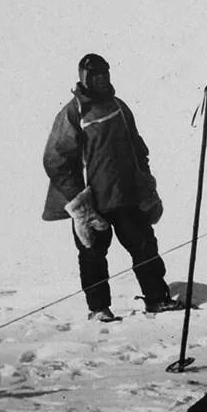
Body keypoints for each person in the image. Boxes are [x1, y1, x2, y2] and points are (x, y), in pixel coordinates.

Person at [42, 53, 185, 322]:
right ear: (85, 78)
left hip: (126, 197)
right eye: (95, 75)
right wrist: (78, 201)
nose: (101, 79)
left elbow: (137, 147)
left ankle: (156, 299)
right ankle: (99, 309)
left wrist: (145, 183)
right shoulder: (74, 112)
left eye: (105, 73)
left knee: (145, 247)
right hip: (93, 204)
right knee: (93, 256)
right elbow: (55, 159)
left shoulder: (118, 106)